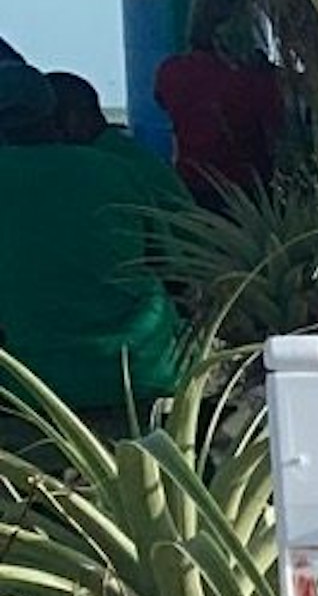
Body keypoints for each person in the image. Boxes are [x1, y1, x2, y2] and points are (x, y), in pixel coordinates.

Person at [0, 69, 188, 430]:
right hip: (144, 371)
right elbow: (174, 271)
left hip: (32, 387)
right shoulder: (116, 170)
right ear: (55, 118)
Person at [151, 0, 288, 206]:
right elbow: (277, 125)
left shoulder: (171, 71)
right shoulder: (256, 78)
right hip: (249, 191)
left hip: (191, 186)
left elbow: (161, 100)